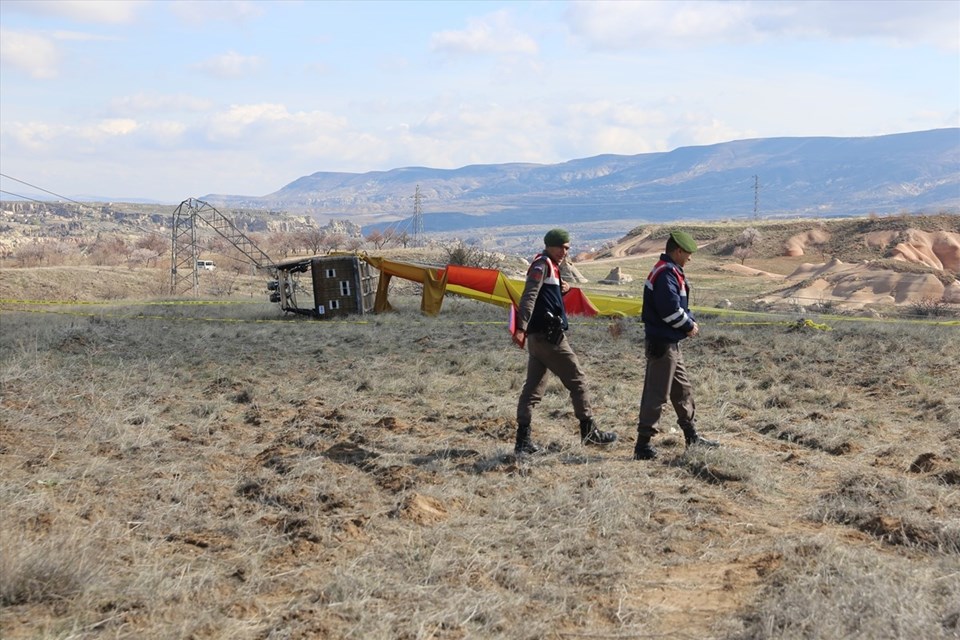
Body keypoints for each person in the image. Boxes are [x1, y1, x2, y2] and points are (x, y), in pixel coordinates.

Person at [511, 228, 617, 455]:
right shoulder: (542, 265)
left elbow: (544, 294)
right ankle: (589, 432)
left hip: (538, 338)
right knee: (578, 379)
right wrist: (521, 327)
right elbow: (529, 295)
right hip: (549, 337)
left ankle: (522, 442)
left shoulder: (550, 266)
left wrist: (561, 288)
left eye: (568, 248)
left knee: (532, 390)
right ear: (551, 245)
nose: (565, 252)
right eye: (562, 247)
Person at [634, 230, 719, 460]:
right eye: (688, 254)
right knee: (656, 394)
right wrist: (689, 325)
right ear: (678, 251)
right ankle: (642, 445)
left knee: (682, 391)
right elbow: (669, 310)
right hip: (663, 343)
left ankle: (692, 437)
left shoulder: (670, 271)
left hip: (670, 342)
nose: (689, 258)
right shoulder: (665, 274)